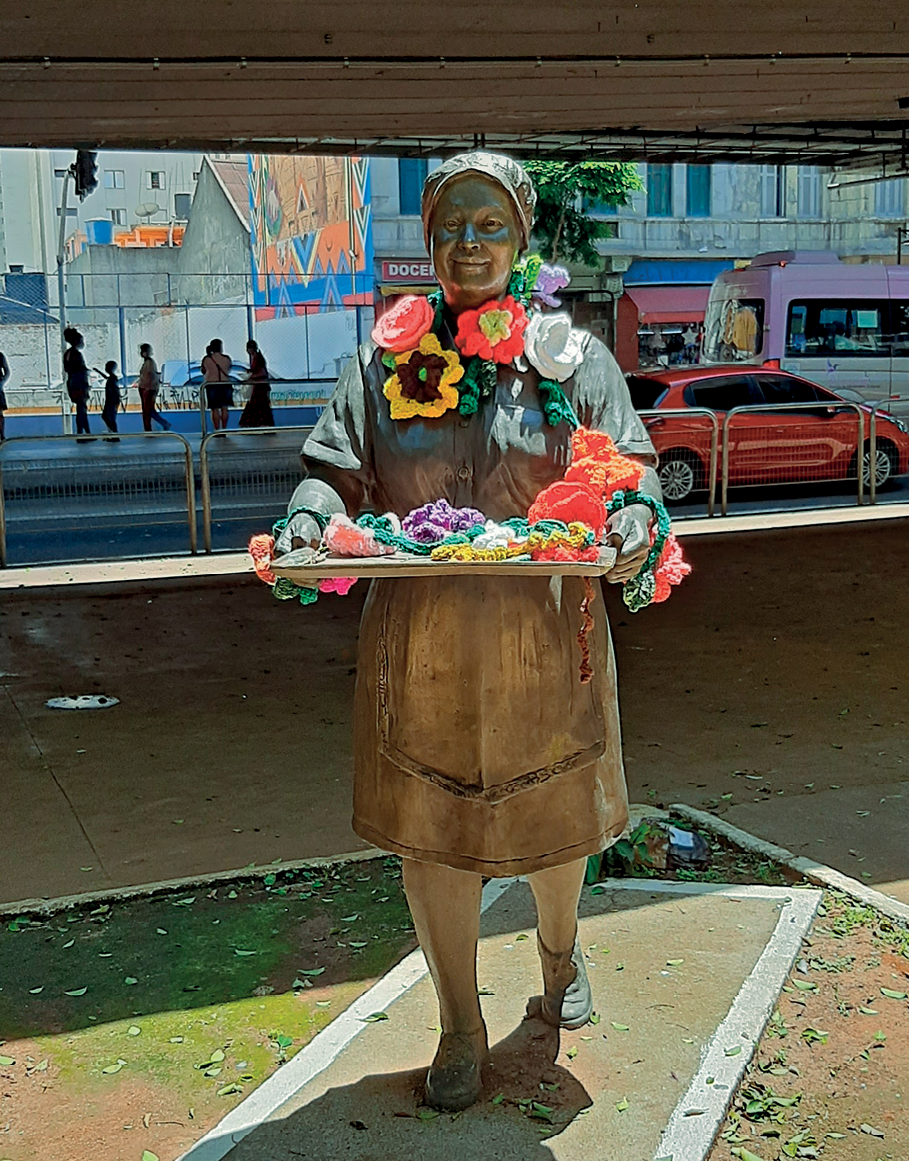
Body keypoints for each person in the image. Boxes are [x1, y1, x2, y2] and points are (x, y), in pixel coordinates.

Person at [275, 152, 661, 1111]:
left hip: (546, 645)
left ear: (520, 239)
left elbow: (632, 469)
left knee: (557, 827)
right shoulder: (384, 358)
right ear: (428, 241)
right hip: (422, 651)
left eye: (490, 225)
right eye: (451, 226)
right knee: (431, 839)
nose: (469, 243)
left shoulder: (569, 356)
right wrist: (310, 517)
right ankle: (458, 1022)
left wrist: (630, 521)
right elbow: (336, 470)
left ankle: (559, 957)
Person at [63, 327, 93, 438]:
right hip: (79, 384)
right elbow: (79, 369)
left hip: (72, 384)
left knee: (81, 409)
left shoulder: (67, 353)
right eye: (81, 341)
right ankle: (81, 434)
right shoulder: (76, 354)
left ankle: (86, 433)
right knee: (81, 410)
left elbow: (67, 369)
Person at [238, 339, 275, 428]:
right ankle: (261, 424)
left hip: (260, 386)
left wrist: (251, 378)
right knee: (260, 405)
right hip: (260, 385)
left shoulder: (257, 358)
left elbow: (261, 373)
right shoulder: (257, 358)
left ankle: (256, 424)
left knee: (257, 404)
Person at [137, 343, 171, 432]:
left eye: (143, 351)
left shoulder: (150, 363)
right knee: (148, 410)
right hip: (145, 388)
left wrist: (149, 388)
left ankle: (150, 428)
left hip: (148, 389)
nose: (141, 353)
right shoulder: (147, 362)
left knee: (148, 411)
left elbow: (151, 376)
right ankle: (154, 426)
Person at [202, 338, 233, 430]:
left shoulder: (207, 359)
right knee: (224, 408)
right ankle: (224, 428)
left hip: (212, 385)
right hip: (225, 384)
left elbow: (203, 371)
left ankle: (216, 429)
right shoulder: (226, 358)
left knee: (214, 408)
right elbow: (229, 369)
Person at [94, 359, 122, 437]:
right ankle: (112, 433)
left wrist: (115, 401)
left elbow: (115, 390)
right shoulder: (112, 378)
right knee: (107, 417)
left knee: (110, 418)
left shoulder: (112, 379)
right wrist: (98, 371)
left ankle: (114, 434)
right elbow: (106, 377)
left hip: (111, 402)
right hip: (110, 401)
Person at [0, 348, 8, 441]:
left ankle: (2, 434)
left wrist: (1, 384)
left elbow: (7, 372)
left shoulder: (0, 356)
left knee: (0, 413)